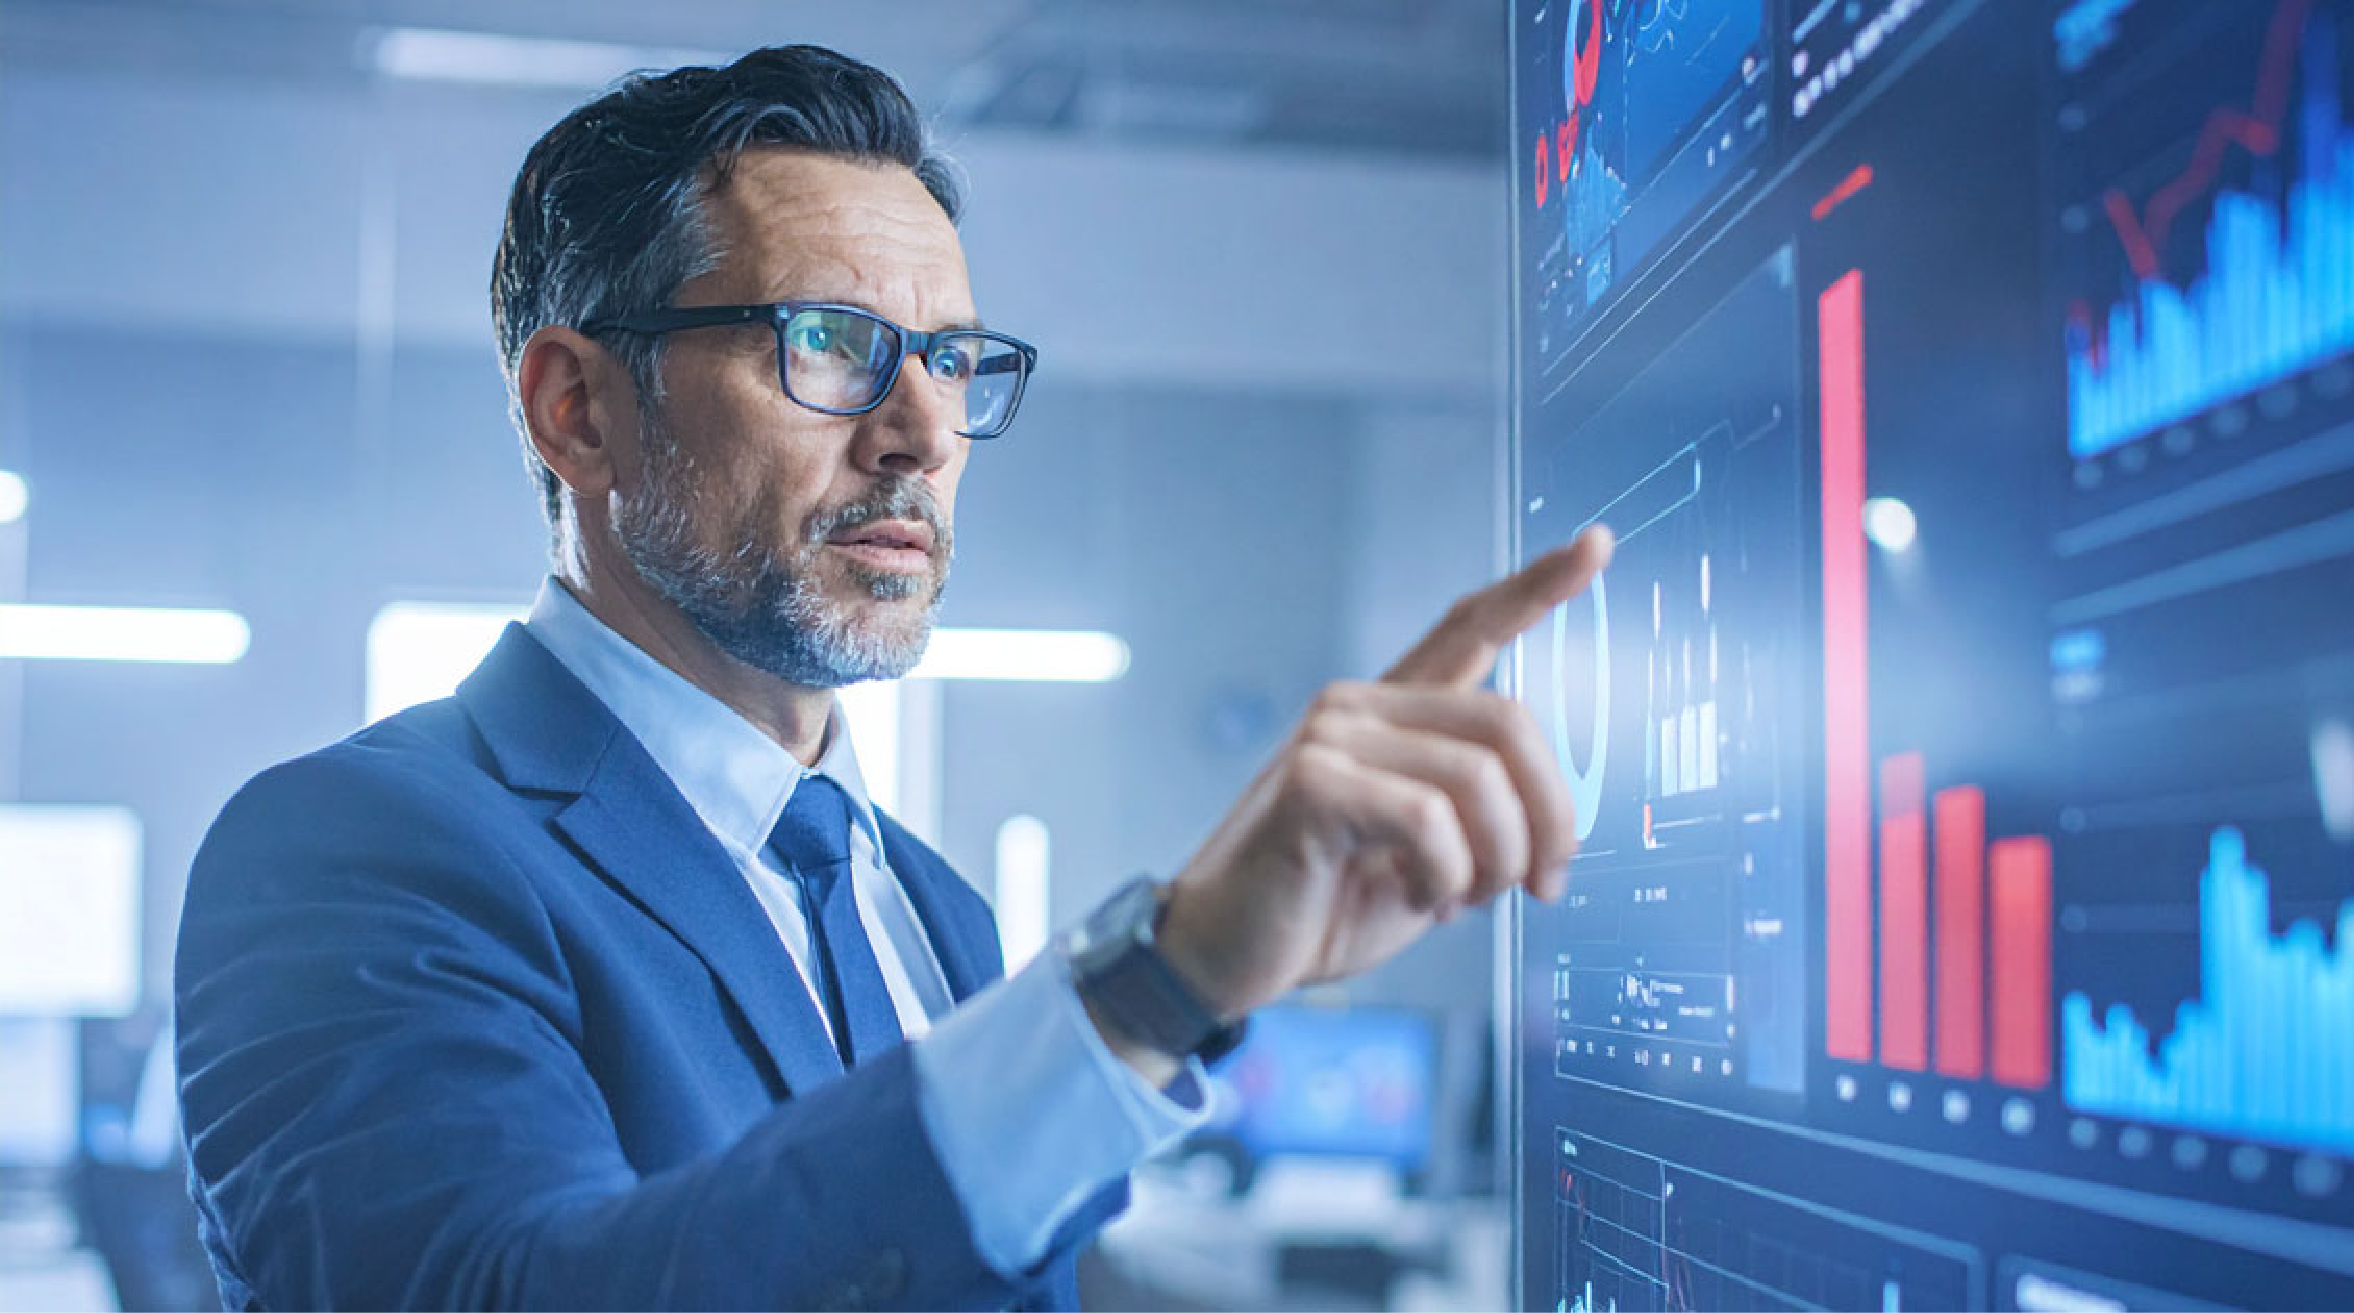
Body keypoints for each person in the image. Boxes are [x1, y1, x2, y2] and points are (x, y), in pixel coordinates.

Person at [172, 44, 1612, 1313]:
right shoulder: (359, 852)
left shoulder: (928, 905)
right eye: (833, 346)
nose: (922, 431)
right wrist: (1147, 991)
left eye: (951, 359)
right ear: (579, 409)